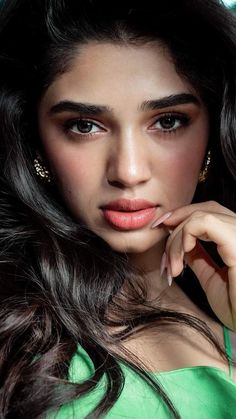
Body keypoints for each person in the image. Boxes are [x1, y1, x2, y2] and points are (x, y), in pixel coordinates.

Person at [0, 0, 236, 417]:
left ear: (212, 137)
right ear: (36, 145)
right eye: (84, 126)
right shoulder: (14, 333)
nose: (128, 171)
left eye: (167, 121)